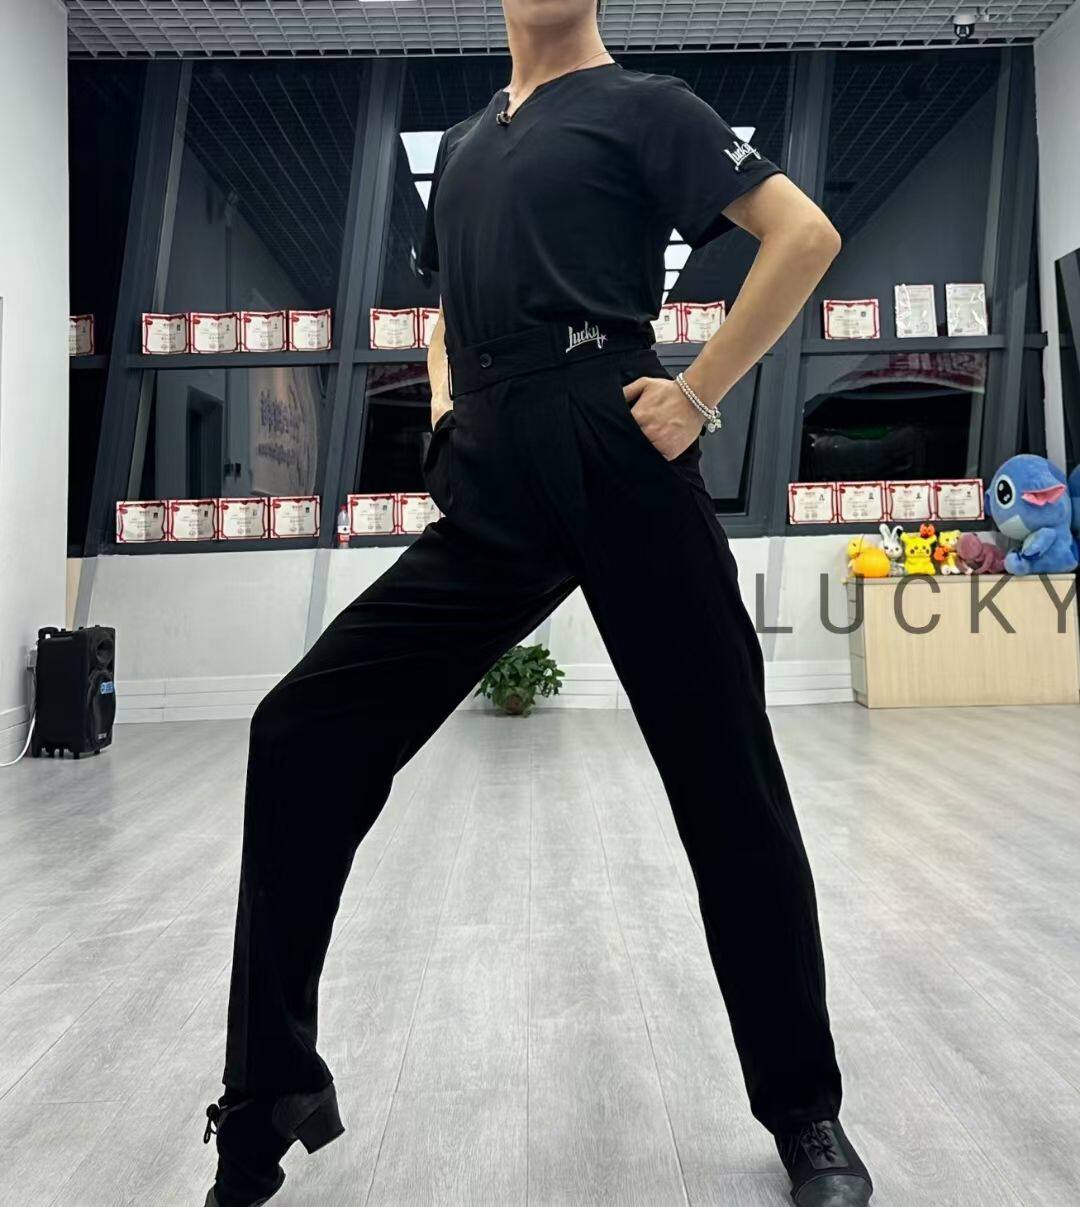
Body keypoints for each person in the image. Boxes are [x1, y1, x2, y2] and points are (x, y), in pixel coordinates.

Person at [201, 2, 875, 1205]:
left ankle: (805, 1109)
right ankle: (269, 1089)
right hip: (493, 469)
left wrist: (698, 392)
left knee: (728, 782)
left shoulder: (646, 107)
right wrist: (446, 415)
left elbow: (804, 235)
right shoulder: (464, 145)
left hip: (616, 441)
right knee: (298, 730)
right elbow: (444, 312)